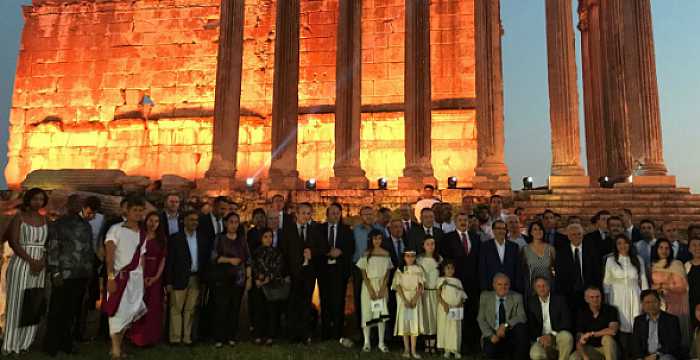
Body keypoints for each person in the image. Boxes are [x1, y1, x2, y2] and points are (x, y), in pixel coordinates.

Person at [44, 194, 94, 356]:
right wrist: (55, 271)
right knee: (57, 310)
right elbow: (52, 248)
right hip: (63, 274)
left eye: (80, 203)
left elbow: (88, 250)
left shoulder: (86, 225)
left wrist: (89, 271)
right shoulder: (58, 224)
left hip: (80, 274)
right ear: (68, 204)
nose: (77, 206)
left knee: (72, 312)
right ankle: (51, 345)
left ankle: (67, 342)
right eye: (74, 203)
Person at [2, 188, 49, 355]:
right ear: (28, 200)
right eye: (35, 198)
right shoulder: (18, 217)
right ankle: (11, 344)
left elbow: (47, 244)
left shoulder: (45, 219)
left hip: (40, 263)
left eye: (41, 199)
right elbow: (14, 242)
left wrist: (41, 261)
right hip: (22, 262)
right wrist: (31, 261)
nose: (38, 202)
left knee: (33, 301)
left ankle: (26, 342)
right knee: (17, 302)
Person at [104, 195, 147, 359]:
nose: (138, 213)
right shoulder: (116, 229)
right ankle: (115, 351)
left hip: (135, 280)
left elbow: (142, 257)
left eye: (141, 211)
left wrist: (141, 280)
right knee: (117, 312)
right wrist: (110, 278)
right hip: (119, 277)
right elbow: (110, 255)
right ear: (127, 211)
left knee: (130, 312)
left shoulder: (142, 233)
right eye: (135, 210)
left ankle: (117, 348)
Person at [439, 211, 481, 354]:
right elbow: (446, 262)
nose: (463, 222)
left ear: (469, 222)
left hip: (472, 284)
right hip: (454, 284)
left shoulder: (476, 238)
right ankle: (455, 345)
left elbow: (478, 260)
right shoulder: (448, 238)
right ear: (455, 222)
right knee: (455, 315)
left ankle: (471, 344)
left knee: (471, 314)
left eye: (465, 220)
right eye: (460, 220)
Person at [280, 202, 321, 344]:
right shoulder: (287, 230)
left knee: (306, 304)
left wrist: (313, 253)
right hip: (293, 273)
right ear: (296, 214)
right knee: (293, 304)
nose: (305, 216)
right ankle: (292, 334)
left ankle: (306, 334)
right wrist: (285, 274)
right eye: (303, 213)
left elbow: (319, 249)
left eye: (308, 213)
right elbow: (284, 253)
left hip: (308, 273)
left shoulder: (314, 230)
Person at [603, 233, 649, 353]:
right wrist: (606, 301)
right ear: (616, 246)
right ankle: (622, 352)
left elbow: (643, 279)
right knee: (620, 323)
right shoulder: (611, 260)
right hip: (617, 295)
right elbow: (607, 281)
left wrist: (646, 300)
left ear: (629, 244)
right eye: (619, 243)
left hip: (634, 294)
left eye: (625, 243)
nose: (623, 246)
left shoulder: (638, 259)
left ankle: (636, 352)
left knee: (635, 321)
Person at [127, 211, 167, 347]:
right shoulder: (139, 236)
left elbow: (163, 260)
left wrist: (155, 277)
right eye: (151, 220)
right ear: (146, 221)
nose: (153, 224)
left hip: (155, 277)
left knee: (153, 307)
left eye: (156, 221)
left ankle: (151, 337)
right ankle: (137, 337)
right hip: (139, 275)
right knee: (138, 306)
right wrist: (141, 277)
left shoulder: (162, 239)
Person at [210, 212, 250, 348]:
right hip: (222, 278)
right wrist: (229, 260)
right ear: (226, 223)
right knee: (221, 308)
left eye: (236, 222)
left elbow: (248, 259)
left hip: (238, 279)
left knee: (234, 308)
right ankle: (219, 338)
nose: (233, 225)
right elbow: (214, 257)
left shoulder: (242, 240)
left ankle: (231, 336)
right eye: (231, 222)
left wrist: (248, 278)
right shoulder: (219, 238)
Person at [317, 203, 355, 343]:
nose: (335, 215)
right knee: (325, 300)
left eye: (337, 213)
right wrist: (328, 251)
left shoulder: (346, 230)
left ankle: (338, 332)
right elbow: (317, 245)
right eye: (332, 212)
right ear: (327, 214)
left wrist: (341, 252)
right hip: (324, 270)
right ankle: (325, 332)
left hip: (340, 271)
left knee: (339, 301)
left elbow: (350, 247)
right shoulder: (320, 229)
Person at [165, 210, 204, 345]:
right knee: (176, 308)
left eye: (196, 220)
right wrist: (168, 281)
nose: (194, 222)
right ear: (184, 221)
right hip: (179, 278)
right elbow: (170, 261)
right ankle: (175, 338)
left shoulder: (201, 237)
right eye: (191, 219)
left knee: (190, 309)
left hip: (195, 278)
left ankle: (187, 337)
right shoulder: (175, 238)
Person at [554, 223, 602, 319]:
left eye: (579, 234)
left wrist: (594, 290)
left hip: (589, 292)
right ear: (568, 236)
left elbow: (597, 272)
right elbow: (559, 275)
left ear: (583, 234)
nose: (577, 236)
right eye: (573, 234)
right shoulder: (561, 252)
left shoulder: (592, 249)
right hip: (569, 293)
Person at [197, 196, 229, 339]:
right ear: (214, 207)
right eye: (221, 208)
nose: (223, 211)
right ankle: (201, 332)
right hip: (206, 267)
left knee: (217, 302)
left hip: (221, 268)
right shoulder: (202, 221)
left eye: (225, 209)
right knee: (202, 302)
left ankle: (214, 332)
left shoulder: (225, 223)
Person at [476, 273, 528, 360]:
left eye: (506, 284)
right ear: (494, 285)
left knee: (521, 328)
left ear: (509, 285)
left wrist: (505, 325)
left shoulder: (517, 297)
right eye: (499, 284)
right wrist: (490, 335)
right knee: (491, 351)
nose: (503, 287)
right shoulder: (485, 296)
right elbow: (480, 319)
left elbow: (522, 316)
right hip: (492, 334)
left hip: (509, 333)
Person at [356, 230, 392, 352]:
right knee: (367, 313)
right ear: (371, 239)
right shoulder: (366, 253)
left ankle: (381, 343)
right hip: (369, 286)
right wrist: (370, 289)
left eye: (379, 238)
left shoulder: (386, 254)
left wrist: (383, 288)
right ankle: (367, 342)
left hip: (381, 286)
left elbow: (388, 272)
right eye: (375, 238)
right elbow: (363, 273)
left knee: (381, 314)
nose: (377, 241)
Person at [651, 238, 690, 347]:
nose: (664, 251)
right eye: (661, 248)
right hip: (659, 303)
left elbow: (683, 287)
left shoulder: (676, 264)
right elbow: (649, 286)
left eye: (667, 248)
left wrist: (665, 286)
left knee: (676, 330)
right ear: (656, 249)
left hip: (676, 302)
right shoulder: (652, 265)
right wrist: (657, 288)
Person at [250, 227, 286, 345]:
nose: (268, 239)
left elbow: (277, 268)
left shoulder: (277, 252)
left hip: (272, 285)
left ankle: (271, 335)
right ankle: (258, 335)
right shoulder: (256, 252)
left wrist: (267, 279)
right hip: (258, 285)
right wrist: (257, 279)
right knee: (259, 310)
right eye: (265, 236)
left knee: (272, 311)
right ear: (261, 238)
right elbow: (253, 266)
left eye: (270, 236)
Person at [526, 277, 573, 360]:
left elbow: (566, 322)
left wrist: (551, 336)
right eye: (538, 286)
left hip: (557, 335)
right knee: (535, 354)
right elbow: (531, 327)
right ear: (535, 289)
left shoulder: (560, 300)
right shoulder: (531, 302)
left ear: (549, 287)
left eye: (544, 286)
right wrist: (540, 338)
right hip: (541, 339)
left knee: (567, 337)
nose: (542, 289)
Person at [631, 289, 682, 360]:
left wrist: (657, 355)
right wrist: (643, 358)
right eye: (647, 302)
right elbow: (636, 344)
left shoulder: (671, 320)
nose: (651, 305)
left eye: (654, 301)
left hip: (664, 355)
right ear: (642, 304)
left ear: (659, 302)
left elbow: (674, 343)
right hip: (645, 357)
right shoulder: (638, 321)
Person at [393, 250, 425, 359]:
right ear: (404, 257)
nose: (410, 258)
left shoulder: (418, 269)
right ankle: (406, 349)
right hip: (404, 299)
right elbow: (397, 286)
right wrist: (405, 300)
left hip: (414, 298)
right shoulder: (400, 270)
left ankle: (413, 350)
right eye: (408, 256)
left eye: (412, 256)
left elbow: (421, 285)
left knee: (413, 323)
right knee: (405, 323)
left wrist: (415, 299)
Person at [571, 286, 619, 360]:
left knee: (607, 339)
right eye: (592, 297)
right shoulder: (582, 313)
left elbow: (612, 331)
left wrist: (592, 334)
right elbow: (579, 340)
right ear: (586, 299)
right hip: (591, 348)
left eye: (597, 297)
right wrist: (585, 357)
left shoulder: (610, 310)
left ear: (601, 297)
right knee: (574, 357)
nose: (595, 299)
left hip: (607, 348)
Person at [480, 220, 522, 293]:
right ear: (493, 230)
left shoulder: (514, 247)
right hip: (491, 288)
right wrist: (484, 289)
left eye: (503, 229)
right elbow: (482, 269)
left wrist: (517, 288)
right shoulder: (485, 246)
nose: (501, 231)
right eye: (498, 228)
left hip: (510, 288)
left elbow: (518, 269)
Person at [436, 260, 467, 359]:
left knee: (455, 328)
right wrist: (444, 304)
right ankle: (447, 350)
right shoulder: (441, 280)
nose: (450, 270)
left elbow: (462, 295)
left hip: (456, 307)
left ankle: (455, 349)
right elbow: (438, 294)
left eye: (452, 268)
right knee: (445, 327)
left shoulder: (458, 281)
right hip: (445, 308)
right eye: (447, 268)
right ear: (444, 269)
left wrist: (460, 304)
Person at [353, 206, 377, 331]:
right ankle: (360, 328)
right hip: (359, 268)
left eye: (370, 214)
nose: (368, 216)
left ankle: (375, 327)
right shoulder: (355, 230)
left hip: (375, 269)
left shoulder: (380, 230)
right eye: (365, 214)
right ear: (361, 216)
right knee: (359, 297)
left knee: (375, 296)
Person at [417, 237, 441, 354]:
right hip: (424, 292)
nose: (431, 246)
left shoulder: (439, 259)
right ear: (423, 245)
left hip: (435, 292)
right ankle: (426, 343)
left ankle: (434, 343)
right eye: (428, 244)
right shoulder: (419, 260)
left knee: (435, 317)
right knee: (426, 317)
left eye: (433, 244)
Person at [522, 221, 556, 294]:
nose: (538, 231)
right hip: (532, 288)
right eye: (535, 229)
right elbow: (523, 271)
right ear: (531, 232)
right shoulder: (525, 249)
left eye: (540, 229)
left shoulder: (551, 249)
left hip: (548, 286)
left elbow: (555, 269)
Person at [687, 238, 700, 335]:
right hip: (691, 304)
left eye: (699, 245)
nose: (697, 248)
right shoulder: (686, 265)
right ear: (689, 249)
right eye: (694, 245)